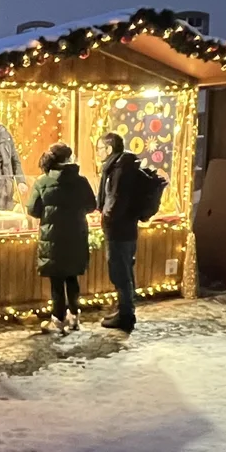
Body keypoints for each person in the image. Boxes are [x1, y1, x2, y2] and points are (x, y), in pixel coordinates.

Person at [26, 143, 97, 333]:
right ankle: (74, 318)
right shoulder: (81, 181)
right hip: (76, 235)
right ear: (69, 158)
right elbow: (91, 205)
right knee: (72, 277)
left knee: (57, 281)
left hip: (53, 237)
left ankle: (57, 320)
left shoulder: (42, 181)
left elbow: (33, 209)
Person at [96, 133, 141, 332]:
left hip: (119, 229)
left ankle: (126, 315)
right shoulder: (121, 166)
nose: (97, 152)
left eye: (99, 148)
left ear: (109, 149)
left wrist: (106, 218)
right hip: (126, 227)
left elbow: (115, 199)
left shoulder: (119, 169)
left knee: (120, 272)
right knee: (124, 270)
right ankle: (124, 310)